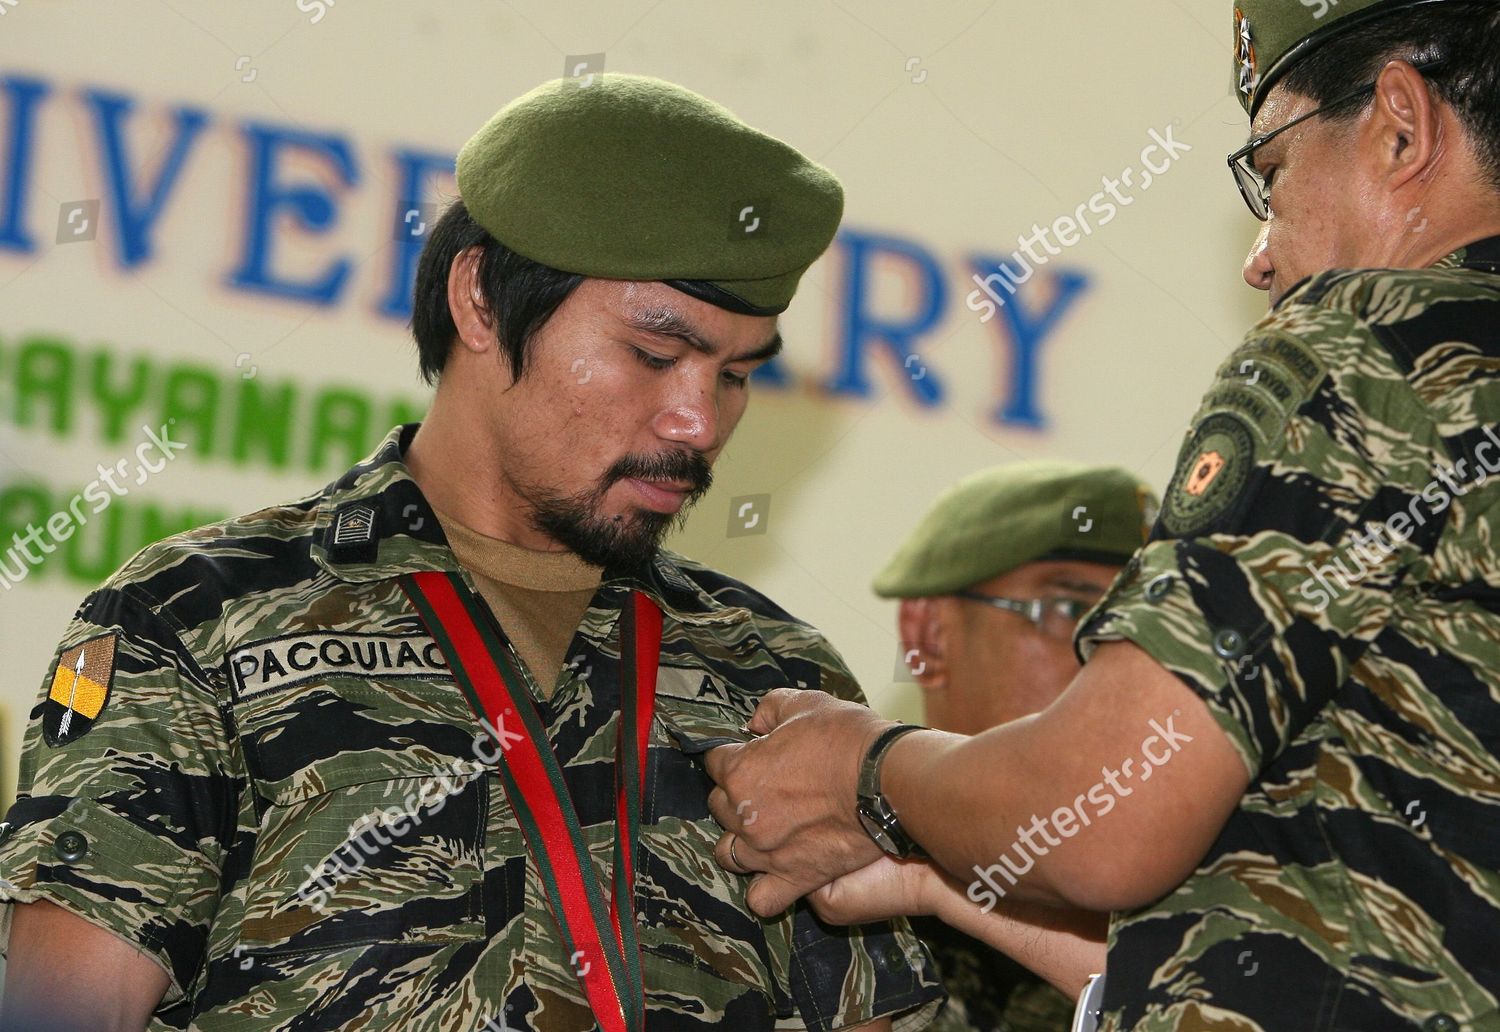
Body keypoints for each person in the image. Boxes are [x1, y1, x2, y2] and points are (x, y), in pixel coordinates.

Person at [0, 75, 944, 1032]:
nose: (698, 422)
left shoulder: (774, 673)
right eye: (655, 357)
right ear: (481, 301)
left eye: (737, 375)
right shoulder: (198, 620)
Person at [705, 3, 1500, 1030]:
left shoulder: (1364, 352)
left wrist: (865, 771)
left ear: (1400, 124)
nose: (1261, 257)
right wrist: (935, 871)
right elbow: (1348, 918)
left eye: (1273, 171)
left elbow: (1117, 808)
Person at [872, 461, 1156, 1031]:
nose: (1113, 662)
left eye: (1146, 631)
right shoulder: (835, 875)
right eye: (1072, 610)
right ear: (928, 635)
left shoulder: (1195, 895)